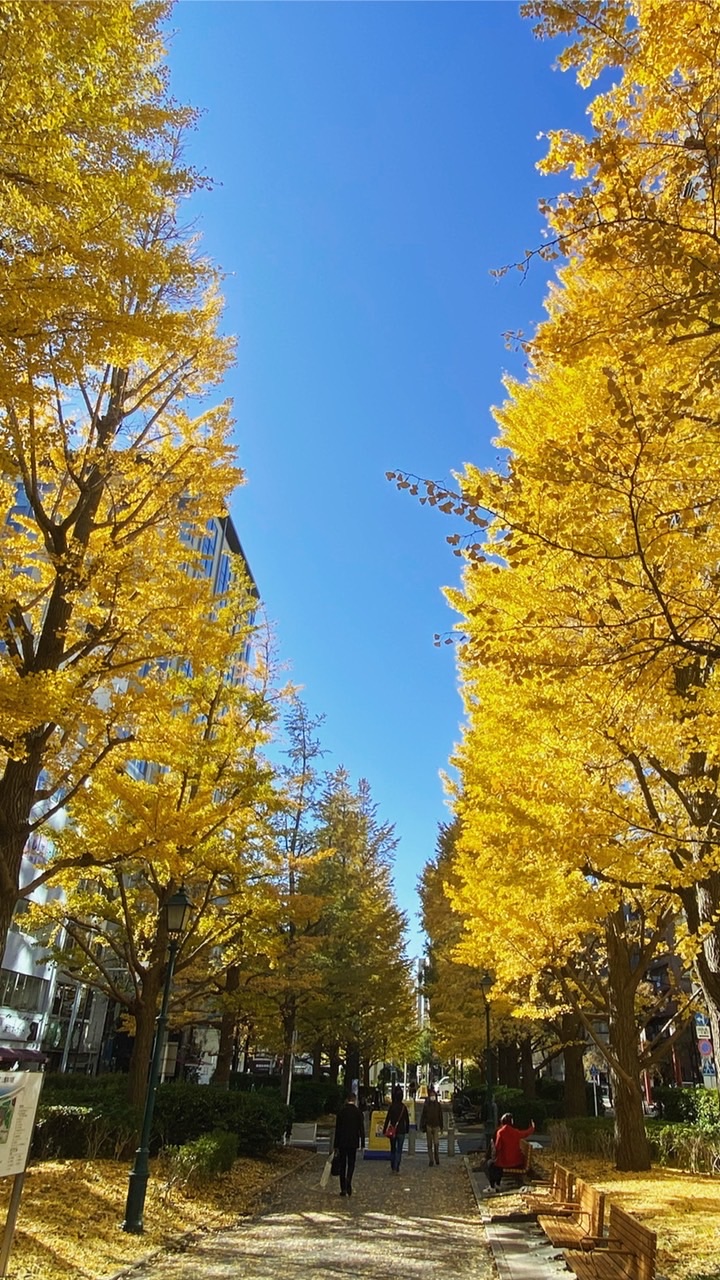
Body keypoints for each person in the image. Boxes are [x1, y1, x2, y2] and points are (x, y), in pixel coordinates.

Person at [486, 1112, 535, 1193]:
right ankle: (497, 1185)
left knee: (490, 1164)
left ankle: (493, 1186)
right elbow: (525, 1133)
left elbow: (498, 1147)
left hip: (504, 1162)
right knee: (496, 1165)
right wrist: (532, 1128)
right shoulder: (515, 1132)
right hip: (517, 1161)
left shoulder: (500, 1132)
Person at [333, 1090, 365, 1197]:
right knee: (351, 1163)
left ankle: (343, 1187)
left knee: (343, 1164)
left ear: (347, 1099)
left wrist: (335, 1145)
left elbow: (337, 1129)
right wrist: (363, 1143)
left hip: (342, 1141)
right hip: (353, 1141)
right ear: (354, 1100)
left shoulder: (341, 1112)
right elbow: (361, 1128)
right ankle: (349, 1180)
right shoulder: (358, 1112)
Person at [383, 1084, 410, 1174]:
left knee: (393, 1149)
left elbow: (387, 1118)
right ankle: (397, 1165)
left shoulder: (392, 1107)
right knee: (399, 1149)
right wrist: (407, 1129)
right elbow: (407, 1119)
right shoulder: (403, 1107)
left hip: (393, 1130)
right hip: (401, 1130)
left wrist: (384, 1129)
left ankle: (392, 1165)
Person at [419, 1085, 444, 1166]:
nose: (432, 1097)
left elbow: (440, 1115)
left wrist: (441, 1126)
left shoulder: (438, 1105)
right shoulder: (426, 1105)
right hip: (428, 1125)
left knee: (436, 1143)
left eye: (433, 1095)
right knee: (429, 1144)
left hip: (436, 1125)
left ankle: (436, 1157)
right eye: (431, 1095)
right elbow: (423, 1116)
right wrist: (422, 1125)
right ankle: (431, 1159)